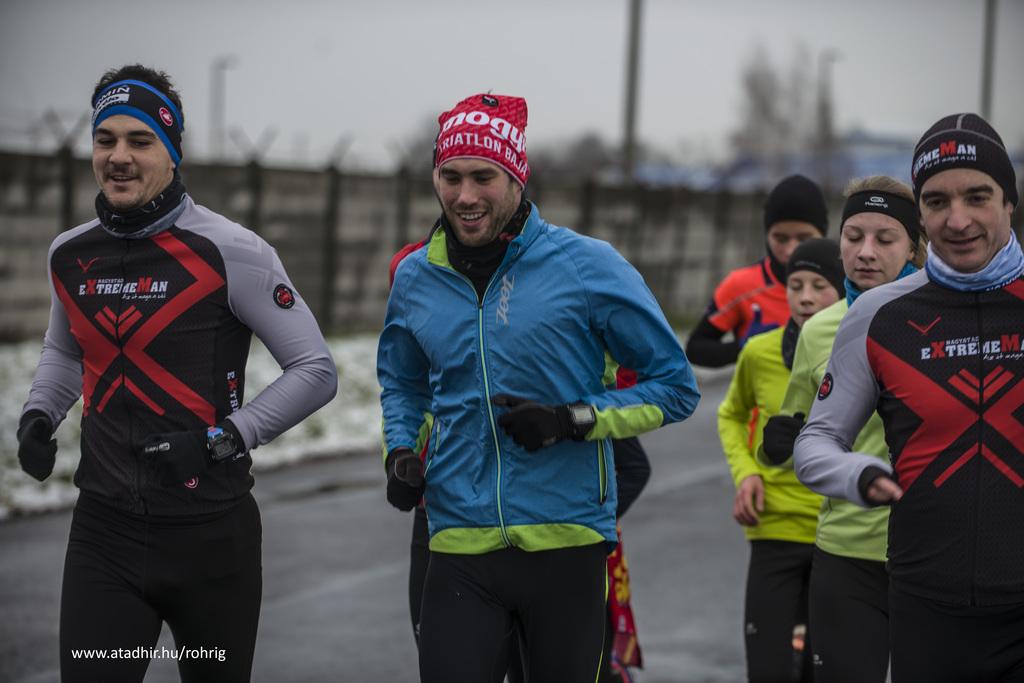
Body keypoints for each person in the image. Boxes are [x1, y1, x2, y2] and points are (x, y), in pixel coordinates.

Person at [14, 64, 338, 683]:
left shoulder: (233, 251)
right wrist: (38, 415)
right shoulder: (70, 254)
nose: (119, 156)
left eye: (140, 141)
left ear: (171, 151)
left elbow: (316, 369)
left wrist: (226, 438)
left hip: (210, 539)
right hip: (103, 534)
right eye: (105, 139)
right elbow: (64, 350)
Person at [377, 92, 700, 683]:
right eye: (450, 176)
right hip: (457, 543)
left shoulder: (588, 266)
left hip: (567, 543)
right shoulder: (416, 276)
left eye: (484, 177)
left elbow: (674, 386)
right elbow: (403, 382)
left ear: (516, 178)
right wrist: (400, 451)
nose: (465, 195)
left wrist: (571, 419)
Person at [792, 113, 1024, 683]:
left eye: (978, 196)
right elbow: (815, 442)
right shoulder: (877, 315)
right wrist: (859, 474)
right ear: (920, 214)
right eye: (938, 201)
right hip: (925, 605)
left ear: (1010, 202)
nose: (959, 219)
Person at [760, 175, 926, 682]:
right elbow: (799, 432)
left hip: (929, 553)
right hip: (845, 551)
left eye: (885, 238)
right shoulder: (817, 330)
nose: (865, 252)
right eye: (853, 236)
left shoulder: (941, 321)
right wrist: (776, 443)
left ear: (915, 248)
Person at [717, 238, 845, 682]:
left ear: (845, 289)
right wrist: (746, 472)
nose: (805, 296)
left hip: (841, 537)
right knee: (768, 669)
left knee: (822, 669)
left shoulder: (863, 352)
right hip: (773, 527)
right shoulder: (758, 352)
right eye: (795, 284)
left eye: (819, 285)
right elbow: (731, 414)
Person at [687, 174, 829, 368]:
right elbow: (695, 348)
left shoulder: (845, 285)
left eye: (804, 238)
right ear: (766, 235)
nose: (791, 250)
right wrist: (743, 348)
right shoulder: (741, 285)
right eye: (780, 238)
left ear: (823, 233)